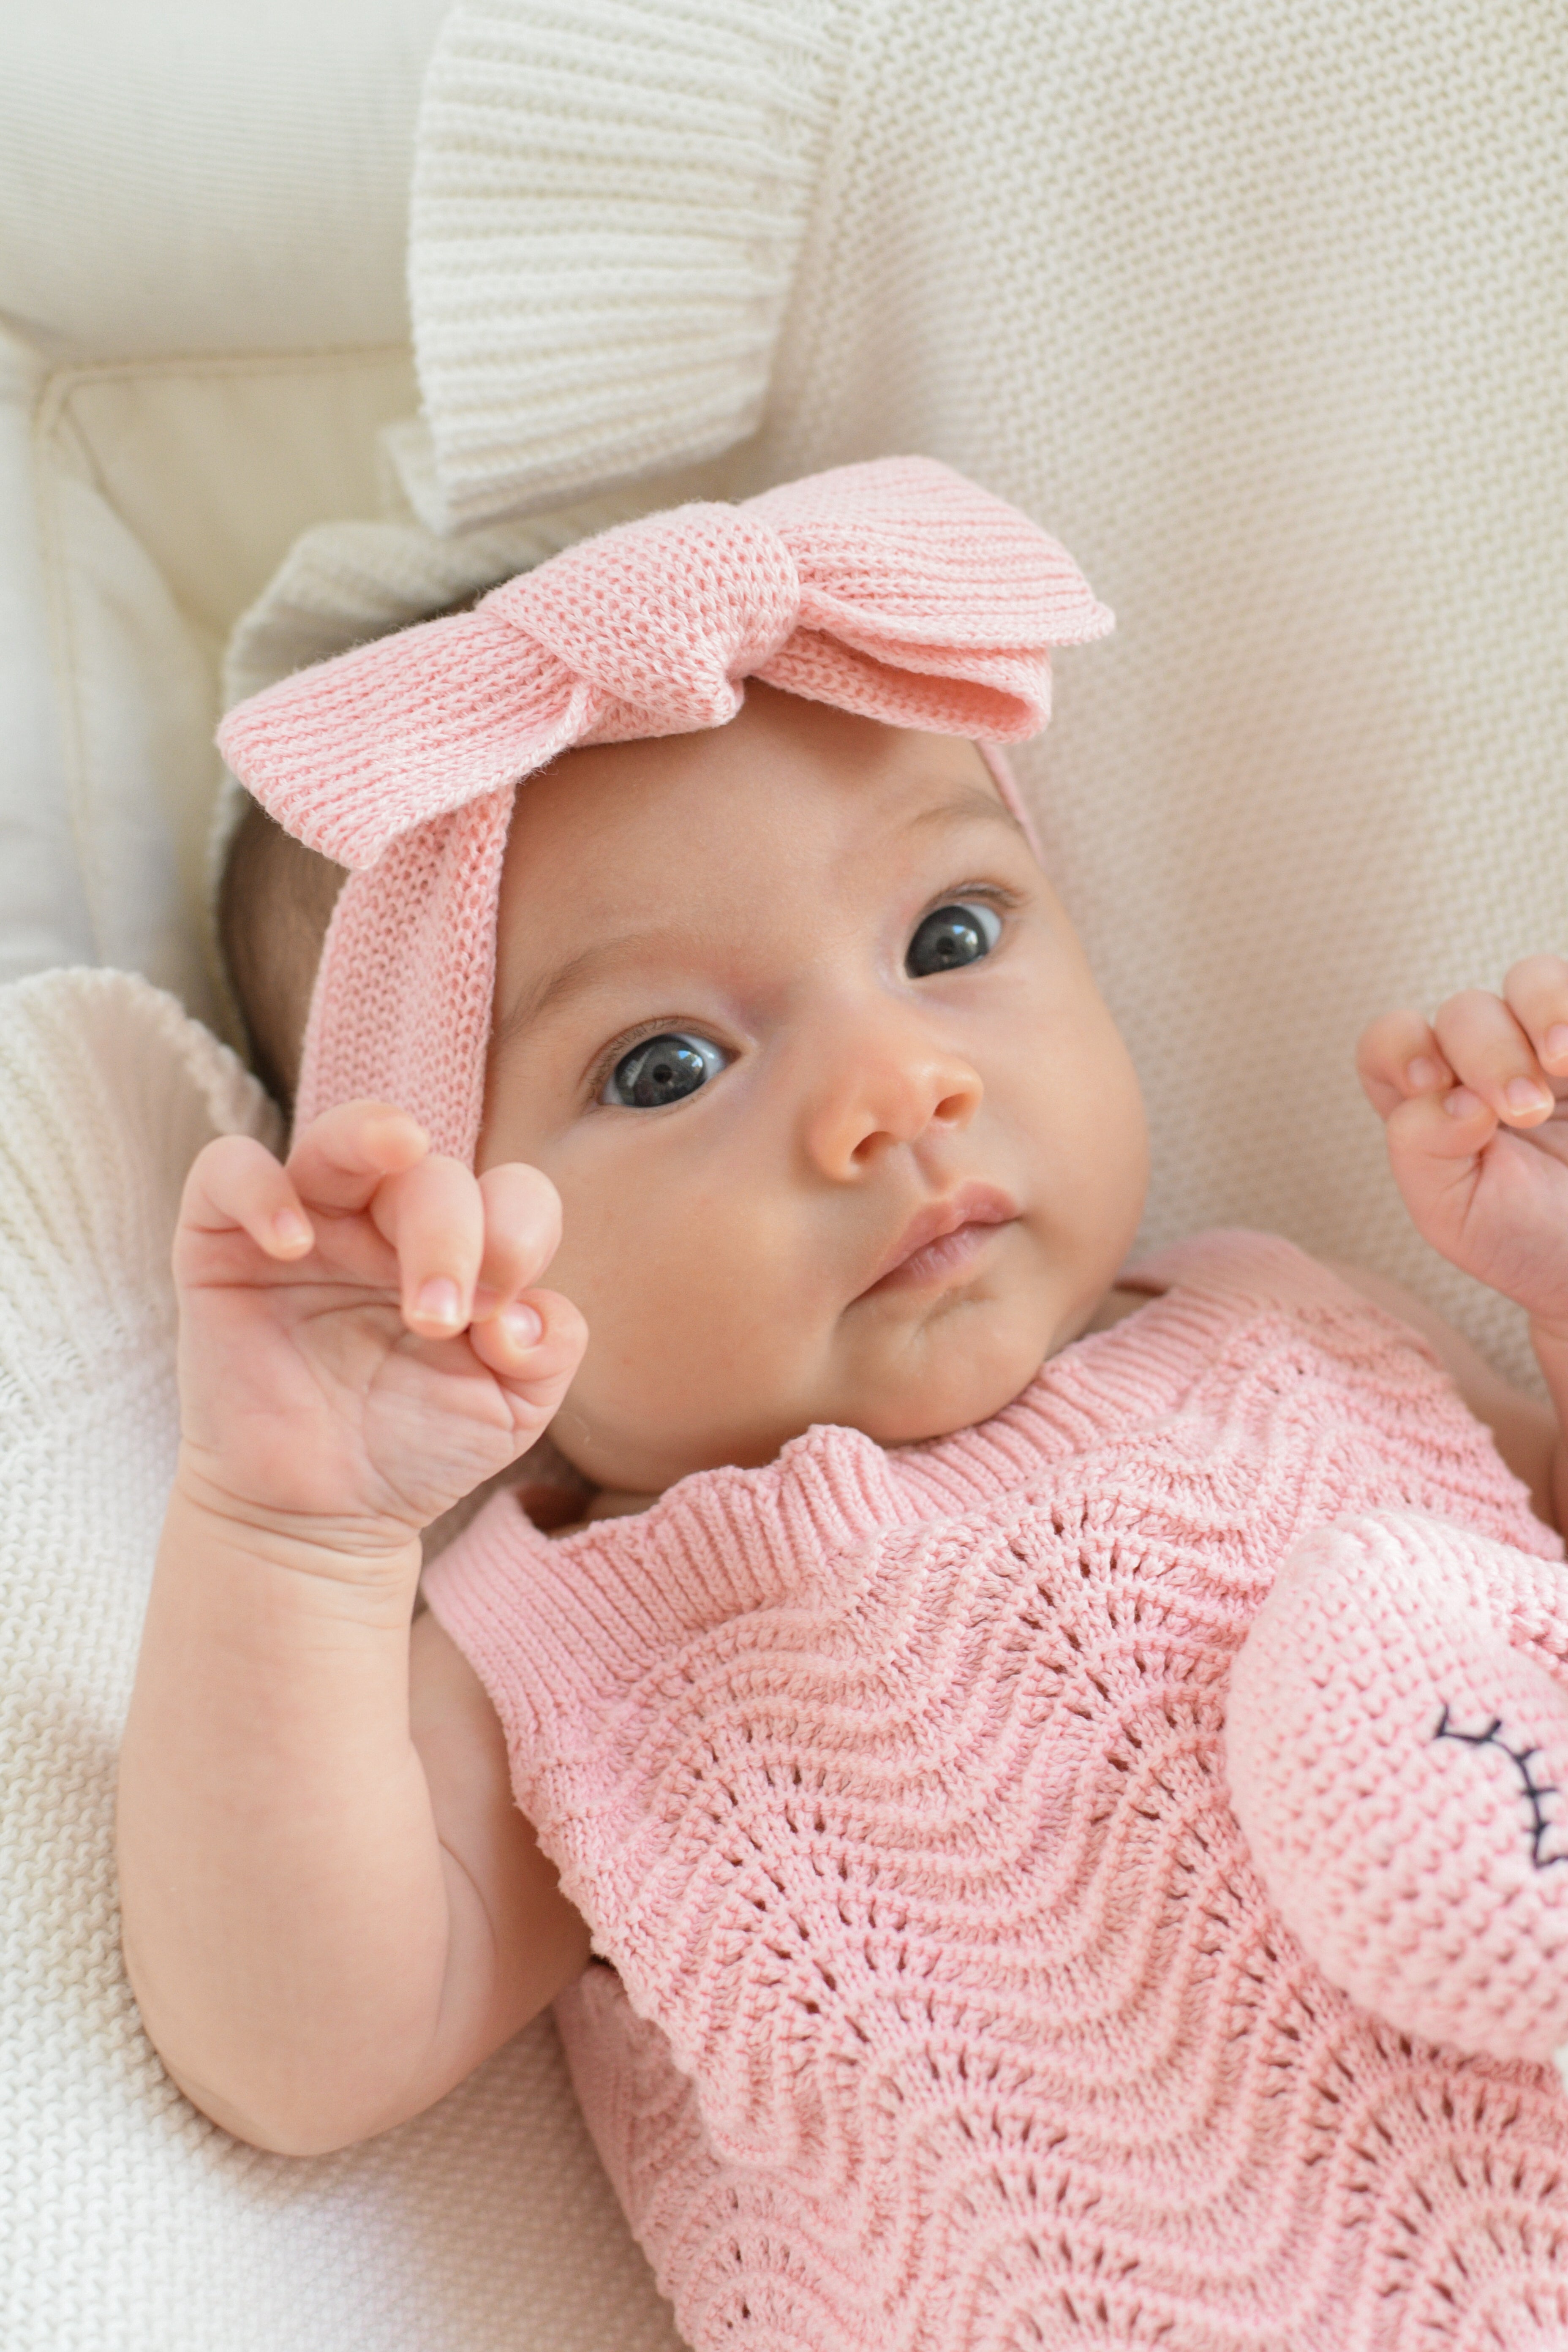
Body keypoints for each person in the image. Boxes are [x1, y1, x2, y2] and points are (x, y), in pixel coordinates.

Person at [117, 459, 1568, 2349]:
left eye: (949, 940)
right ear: (441, 1252)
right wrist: (293, 1523)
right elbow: (301, 2047)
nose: (897, 1089)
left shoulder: (1288, 1331)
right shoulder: (570, 1645)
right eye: (665, 1064)